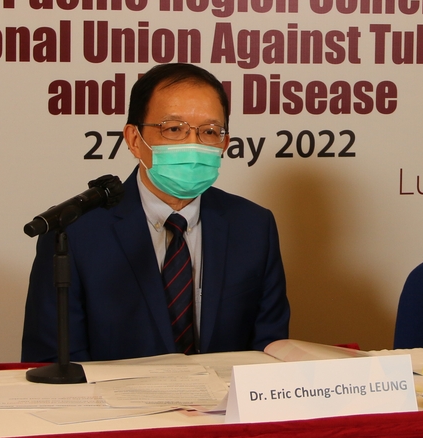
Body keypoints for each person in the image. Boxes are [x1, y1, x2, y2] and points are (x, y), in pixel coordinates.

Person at [21, 63, 291, 361]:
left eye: (209, 131)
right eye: (173, 129)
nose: (193, 144)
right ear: (135, 140)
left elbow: (271, 351)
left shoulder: (253, 226)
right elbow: (51, 361)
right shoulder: (74, 233)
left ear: (224, 143)